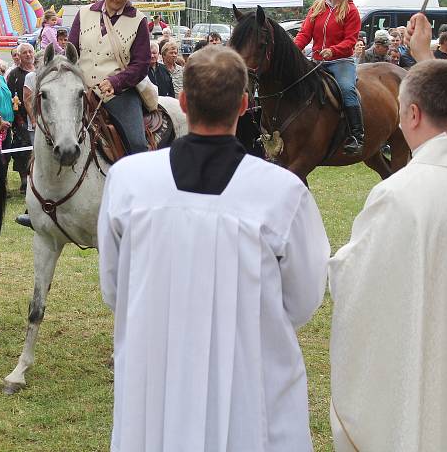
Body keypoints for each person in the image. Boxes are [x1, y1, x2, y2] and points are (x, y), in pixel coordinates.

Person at [98, 45, 330, 452]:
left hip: (158, 365)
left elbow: (115, 287)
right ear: (244, 104)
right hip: (246, 366)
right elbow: (305, 296)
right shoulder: (280, 193)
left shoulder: (129, 181)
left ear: (183, 102)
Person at [329, 57, 447, 450]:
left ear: (412, 114)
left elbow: (358, 278)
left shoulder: (402, 195)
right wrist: (426, 53)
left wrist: (333, 267)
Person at [69, 0, 150, 154]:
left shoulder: (139, 20)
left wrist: (116, 81)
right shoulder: (83, 13)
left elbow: (141, 64)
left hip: (119, 93)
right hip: (81, 91)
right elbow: (70, 55)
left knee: (137, 144)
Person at [294, 0, 363, 154]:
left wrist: (332, 51)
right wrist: (293, 50)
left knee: (347, 88)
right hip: (316, 61)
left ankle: (357, 135)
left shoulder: (350, 10)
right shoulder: (317, 6)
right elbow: (304, 34)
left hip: (341, 61)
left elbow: (350, 41)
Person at [6, 43, 35, 193]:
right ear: (19, 56)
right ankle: (24, 181)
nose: (28, 55)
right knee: (22, 151)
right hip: (21, 118)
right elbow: (11, 97)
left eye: (30, 51)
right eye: (24, 53)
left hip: (39, 117)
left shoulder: (40, 71)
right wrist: (19, 120)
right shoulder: (14, 75)